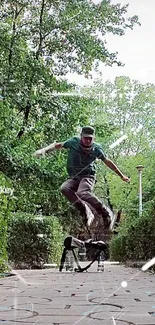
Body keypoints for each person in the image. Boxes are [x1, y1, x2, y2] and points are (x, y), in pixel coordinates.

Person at [33, 126, 130, 230]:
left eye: (90, 138)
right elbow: (58, 145)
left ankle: (106, 213)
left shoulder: (97, 149)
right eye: (85, 138)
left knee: (82, 192)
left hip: (88, 176)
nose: (88, 141)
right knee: (64, 188)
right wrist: (44, 150)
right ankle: (86, 212)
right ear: (81, 137)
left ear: (94, 139)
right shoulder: (73, 142)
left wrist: (121, 176)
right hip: (74, 177)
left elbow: (107, 162)